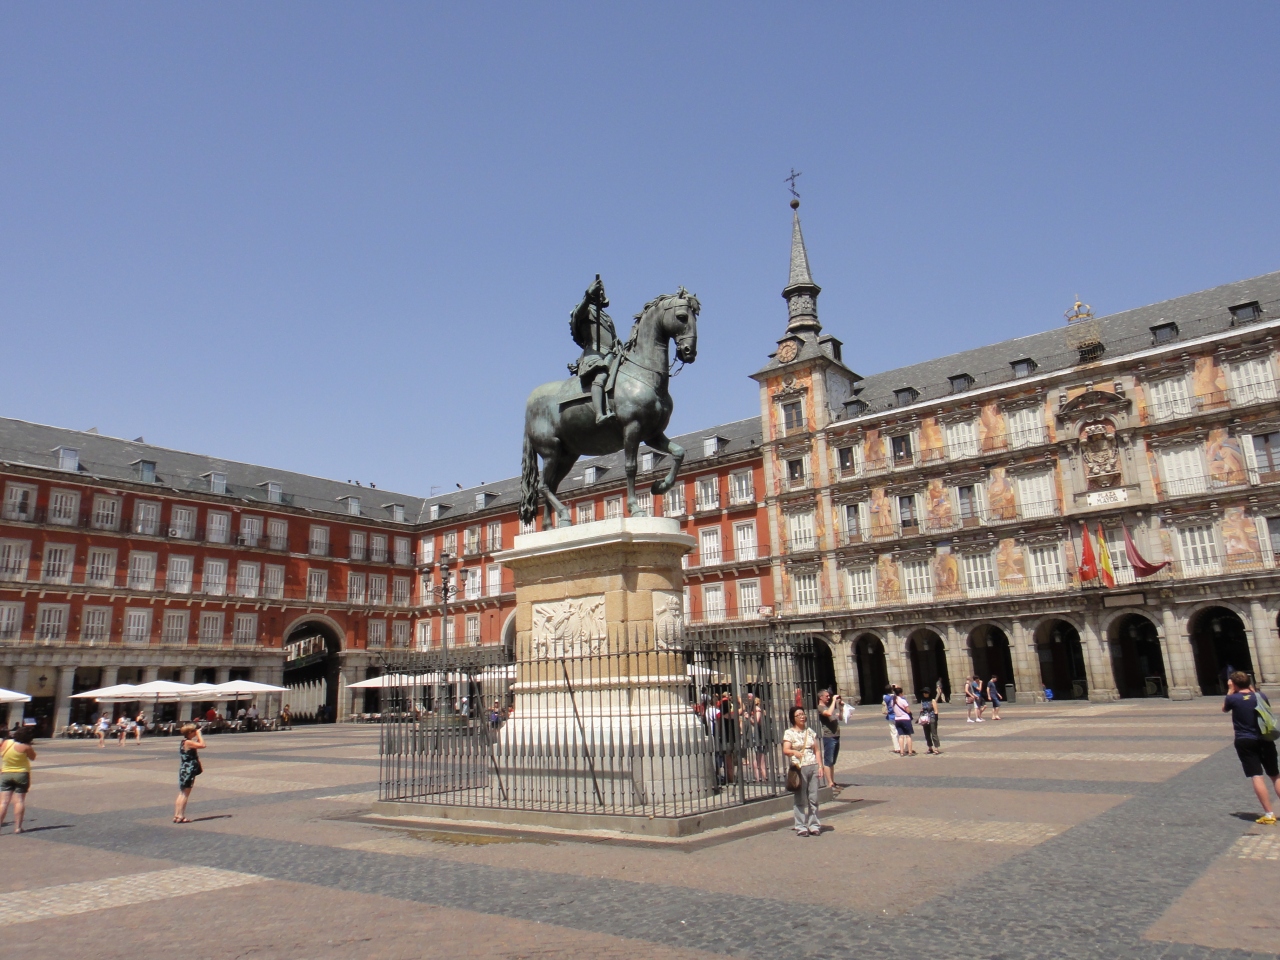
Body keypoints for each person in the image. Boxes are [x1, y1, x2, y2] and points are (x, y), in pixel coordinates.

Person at [1223, 671, 1279, 824]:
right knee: (1275, 775)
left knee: (1256, 776)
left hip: (1245, 740)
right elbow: (1260, 703)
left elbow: (1224, 708)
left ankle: (1269, 814)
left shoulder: (1232, 699)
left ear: (1233, 684)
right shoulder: (1261, 696)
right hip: (1265, 738)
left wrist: (1230, 690)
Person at [568, 275, 621, 424]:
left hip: (610, 355)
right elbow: (577, 314)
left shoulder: (607, 318)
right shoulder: (586, 310)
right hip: (593, 355)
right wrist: (588, 294)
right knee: (601, 376)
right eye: (599, 291)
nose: (601, 293)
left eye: (602, 291)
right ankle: (599, 414)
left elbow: (613, 339)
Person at [782, 705, 820, 837]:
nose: (802, 717)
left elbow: (817, 750)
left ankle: (814, 825)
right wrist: (794, 752)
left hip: (812, 765)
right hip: (799, 767)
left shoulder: (810, 731)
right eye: (798, 715)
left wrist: (820, 766)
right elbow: (786, 750)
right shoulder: (789, 733)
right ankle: (800, 826)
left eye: (803, 714)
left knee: (813, 798)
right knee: (800, 798)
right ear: (793, 718)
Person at [0, 725, 37, 834]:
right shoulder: (26, 747)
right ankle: (18, 827)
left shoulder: (5, 743)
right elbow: (33, 757)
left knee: (3, 802)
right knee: (19, 800)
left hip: (6, 773)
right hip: (21, 774)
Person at [173, 723, 206, 823]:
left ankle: (177, 815)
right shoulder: (188, 742)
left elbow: (198, 744)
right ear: (190, 732)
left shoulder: (185, 742)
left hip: (185, 769)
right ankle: (180, 815)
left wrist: (198, 735)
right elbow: (203, 745)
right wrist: (199, 734)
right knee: (185, 794)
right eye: (194, 731)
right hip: (189, 770)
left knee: (182, 792)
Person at [816, 688, 841, 787]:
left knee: (832, 761)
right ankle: (829, 783)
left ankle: (832, 781)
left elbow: (840, 718)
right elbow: (829, 713)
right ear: (821, 697)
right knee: (828, 761)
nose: (829, 697)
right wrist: (834, 701)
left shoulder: (828, 707)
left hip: (836, 735)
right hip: (829, 737)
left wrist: (841, 707)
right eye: (826, 696)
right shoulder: (820, 708)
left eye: (829, 696)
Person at [890, 685, 915, 756]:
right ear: (900, 693)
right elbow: (908, 710)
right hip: (905, 719)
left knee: (901, 736)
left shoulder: (892, 701)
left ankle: (901, 752)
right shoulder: (903, 701)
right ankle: (910, 752)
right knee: (908, 736)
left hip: (897, 719)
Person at [920, 689, 942, 755]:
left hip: (932, 718)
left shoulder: (933, 700)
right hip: (925, 719)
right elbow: (922, 709)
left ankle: (936, 748)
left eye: (926, 693)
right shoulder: (922, 701)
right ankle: (930, 747)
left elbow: (936, 711)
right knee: (927, 734)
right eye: (924, 693)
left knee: (934, 734)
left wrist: (935, 719)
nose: (924, 694)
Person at [883, 684, 901, 754]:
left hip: (890, 716)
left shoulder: (885, 697)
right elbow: (899, 693)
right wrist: (896, 687)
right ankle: (902, 746)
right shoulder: (896, 697)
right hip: (898, 715)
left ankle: (897, 748)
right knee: (900, 731)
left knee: (893, 733)